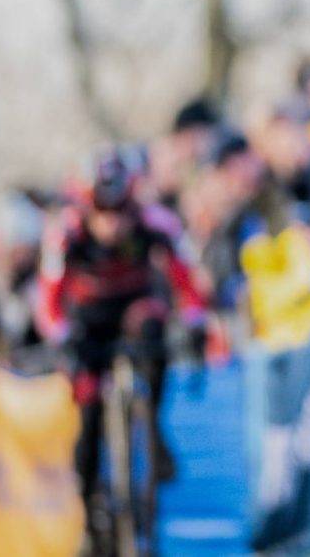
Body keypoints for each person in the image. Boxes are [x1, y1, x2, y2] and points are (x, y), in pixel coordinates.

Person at [37, 151, 208, 525]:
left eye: (120, 211)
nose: (113, 224)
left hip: (135, 307)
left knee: (154, 333)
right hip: (89, 321)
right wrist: (61, 336)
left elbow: (186, 279)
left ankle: (152, 424)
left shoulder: (155, 223)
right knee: (89, 411)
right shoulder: (65, 233)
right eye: (102, 211)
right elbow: (48, 299)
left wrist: (195, 321)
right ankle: (87, 508)